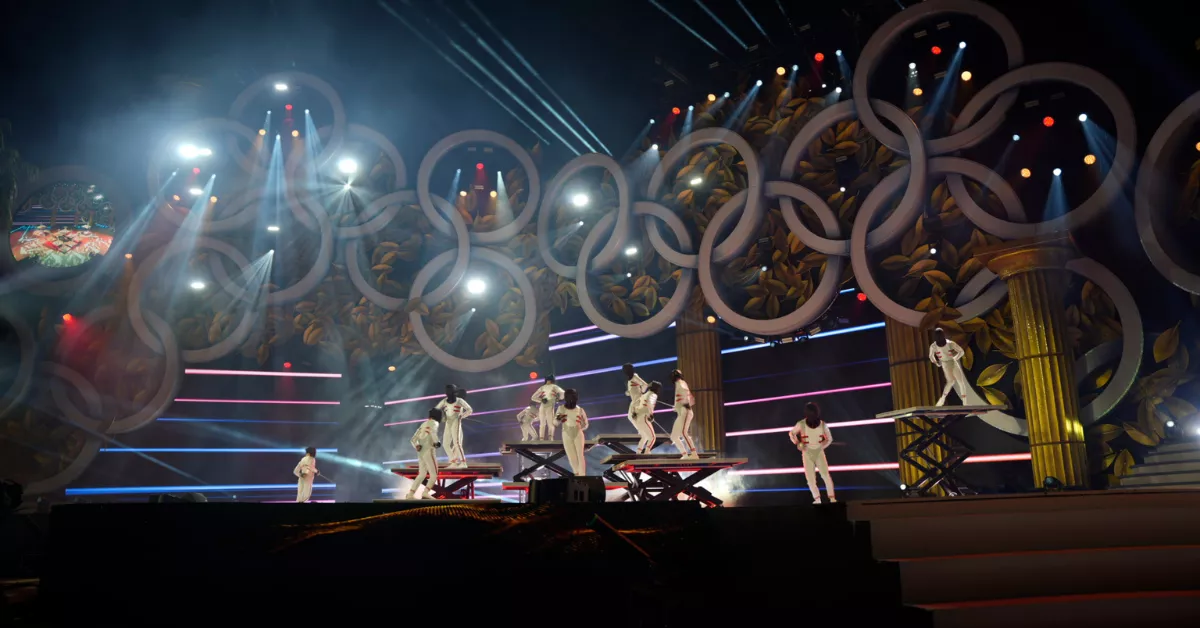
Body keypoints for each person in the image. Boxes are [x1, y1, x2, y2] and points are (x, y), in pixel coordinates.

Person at [789, 402, 836, 504]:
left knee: (825, 475)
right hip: (807, 453)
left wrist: (821, 446)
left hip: (819, 452)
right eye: (808, 413)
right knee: (810, 479)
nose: (810, 415)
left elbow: (830, 439)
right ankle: (817, 499)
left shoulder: (823, 425)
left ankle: (831, 498)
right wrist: (797, 443)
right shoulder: (801, 424)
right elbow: (792, 433)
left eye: (811, 413)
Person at [405, 408, 443, 500]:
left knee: (422, 474)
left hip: (421, 452)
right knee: (434, 474)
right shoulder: (435, 423)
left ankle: (410, 494)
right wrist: (437, 442)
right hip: (429, 451)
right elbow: (432, 433)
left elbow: (413, 439)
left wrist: (416, 445)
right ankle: (425, 492)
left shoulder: (423, 424)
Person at [435, 385, 472, 469]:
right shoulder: (444, 401)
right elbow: (436, 409)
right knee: (445, 444)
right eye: (447, 392)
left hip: (456, 421)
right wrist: (442, 417)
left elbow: (469, 410)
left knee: (457, 443)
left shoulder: (460, 401)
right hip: (448, 422)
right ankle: (453, 462)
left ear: (454, 392)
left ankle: (463, 462)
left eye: (450, 391)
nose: (448, 393)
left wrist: (462, 416)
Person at [929, 327, 968, 406]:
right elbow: (931, 356)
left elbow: (961, 352)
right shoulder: (934, 346)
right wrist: (937, 362)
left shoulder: (949, 343)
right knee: (952, 382)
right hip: (946, 364)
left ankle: (964, 402)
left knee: (959, 382)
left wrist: (954, 358)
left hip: (951, 362)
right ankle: (943, 399)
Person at [556, 388, 590, 475]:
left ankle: (582, 476)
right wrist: (558, 418)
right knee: (571, 456)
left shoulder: (580, 410)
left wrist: (579, 428)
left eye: (574, 397)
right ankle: (577, 473)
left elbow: (586, 424)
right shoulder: (561, 409)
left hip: (578, 433)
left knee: (580, 455)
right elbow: (555, 423)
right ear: (566, 398)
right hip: (566, 433)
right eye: (570, 397)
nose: (572, 399)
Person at [670, 369, 699, 460]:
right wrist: (677, 406)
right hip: (682, 412)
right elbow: (682, 395)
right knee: (674, 436)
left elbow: (685, 391)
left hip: (685, 411)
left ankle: (694, 454)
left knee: (683, 432)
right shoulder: (678, 383)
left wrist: (685, 403)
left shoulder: (681, 382)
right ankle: (685, 455)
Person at [531, 375, 565, 440]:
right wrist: (541, 400)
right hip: (544, 406)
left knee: (548, 423)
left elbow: (562, 393)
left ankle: (549, 438)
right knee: (544, 423)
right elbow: (533, 397)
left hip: (549, 405)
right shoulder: (544, 387)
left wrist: (558, 399)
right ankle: (544, 439)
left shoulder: (553, 386)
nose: (548, 381)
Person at [633, 381, 661, 455]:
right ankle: (647, 452)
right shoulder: (654, 395)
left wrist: (635, 412)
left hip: (638, 418)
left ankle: (638, 452)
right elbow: (649, 407)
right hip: (644, 417)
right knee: (653, 437)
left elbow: (637, 405)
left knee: (644, 436)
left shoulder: (644, 395)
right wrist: (651, 416)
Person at [622, 362, 648, 436]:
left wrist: (642, 393)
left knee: (636, 417)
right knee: (630, 417)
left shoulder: (635, 376)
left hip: (638, 400)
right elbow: (632, 389)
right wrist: (628, 393)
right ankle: (641, 431)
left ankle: (643, 432)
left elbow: (645, 385)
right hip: (634, 401)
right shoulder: (629, 379)